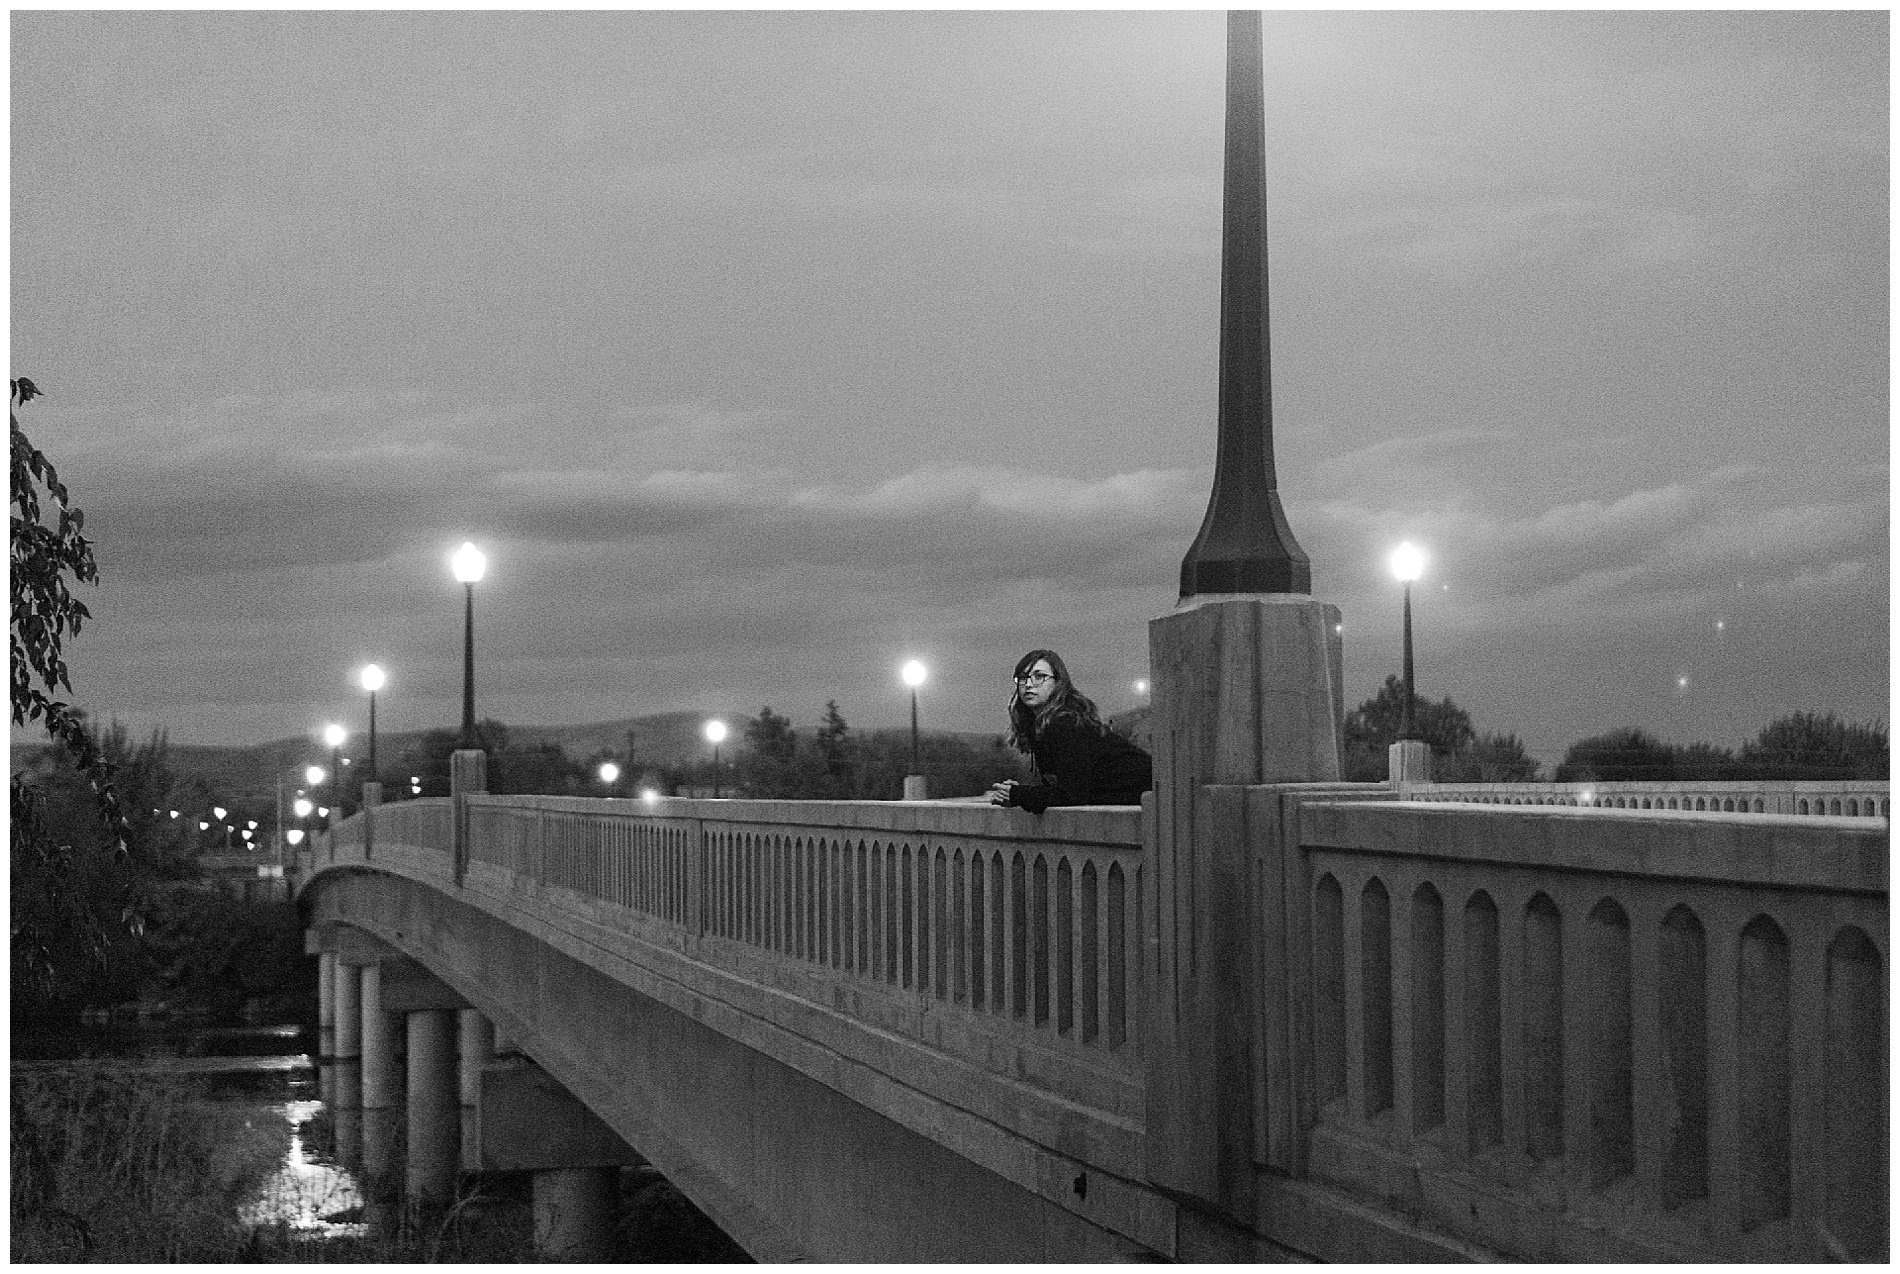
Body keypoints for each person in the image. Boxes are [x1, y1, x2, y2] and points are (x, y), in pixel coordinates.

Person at [987, 649, 1152, 813]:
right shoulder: (1044, 726)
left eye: (1039, 677)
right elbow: (1067, 786)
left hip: (1156, 798)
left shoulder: (1066, 724)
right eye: (1023, 678)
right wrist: (1019, 792)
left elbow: (1071, 795)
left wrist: (1020, 795)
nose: (1028, 684)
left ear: (1058, 682)